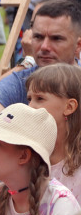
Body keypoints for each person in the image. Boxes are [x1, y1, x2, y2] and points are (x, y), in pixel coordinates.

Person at [0, 0, 81, 143]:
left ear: (78, 45)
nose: (44, 46)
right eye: (38, 37)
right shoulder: (19, 81)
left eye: (56, 38)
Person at [28, 64, 81, 201]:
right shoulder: (27, 157)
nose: (30, 106)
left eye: (40, 99)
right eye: (29, 99)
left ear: (69, 107)